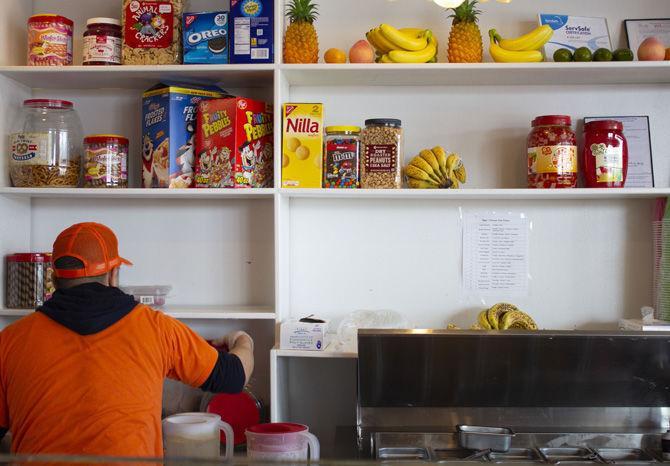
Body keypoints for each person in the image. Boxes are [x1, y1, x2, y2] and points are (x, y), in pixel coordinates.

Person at [0, 222, 254, 457]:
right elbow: (233, 377)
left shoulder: (10, 340)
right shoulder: (157, 329)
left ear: (54, 280)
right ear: (113, 274)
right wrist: (243, 341)